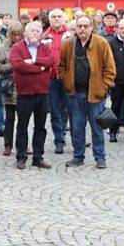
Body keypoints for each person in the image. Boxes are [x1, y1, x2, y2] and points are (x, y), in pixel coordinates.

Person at [58, 14, 116, 169]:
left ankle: (100, 157)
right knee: (77, 127)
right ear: (75, 28)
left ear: (92, 27)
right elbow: (61, 66)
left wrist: (104, 87)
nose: (82, 29)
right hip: (74, 94)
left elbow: (110, 69)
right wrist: (66, 82)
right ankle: (78, 156)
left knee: (97, 128)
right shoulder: (69, 44)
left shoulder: (101, 43)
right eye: (79, 26)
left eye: (85, 26)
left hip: (95, 94)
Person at [9, 21, 55, 169]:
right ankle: (21, 157)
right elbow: (18, 65)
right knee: (22, 126)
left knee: (40, 126)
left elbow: (51, 61)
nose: (35, 33)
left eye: (38, 31)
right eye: (32, 30)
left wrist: (34, 61)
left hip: (42, 93)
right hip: (25, 93)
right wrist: (40, 68)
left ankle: (38, 157)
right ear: (26, 33)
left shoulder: (45, 47)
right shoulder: (17, 48)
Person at [41, 8, 73, 154]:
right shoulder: (44, 36)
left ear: (63, 18)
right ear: (49, 19)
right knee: (55, 111)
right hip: (52, 79)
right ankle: (59, 140)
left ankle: (76, 139)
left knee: (72, 110)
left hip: (67, 78)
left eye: (59, 16)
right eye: (53, 16)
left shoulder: (71, 35)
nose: (56, 19)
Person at [0, 21, 24, 156]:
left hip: (24, 87)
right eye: (14, 35)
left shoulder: (26, 46)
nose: (17, 38)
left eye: (19, 35)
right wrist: (12, 66)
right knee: (9, 119)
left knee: (24, 119)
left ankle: (22, 145)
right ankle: (8, 144)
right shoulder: (3, 48)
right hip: (10, 87)